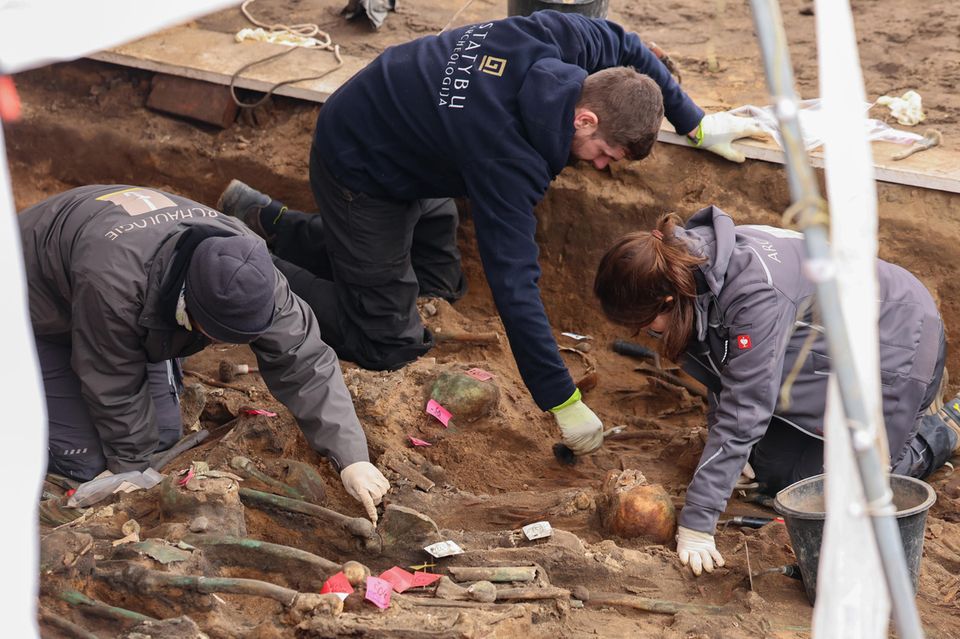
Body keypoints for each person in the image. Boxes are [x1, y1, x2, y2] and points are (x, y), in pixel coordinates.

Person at [216, 11, 765, 460]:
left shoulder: (561, 40)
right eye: (605, 157)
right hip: (362, 163)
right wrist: (560, 397)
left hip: (418, 142)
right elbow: (514, 282)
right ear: (586, 121)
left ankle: (273, 221)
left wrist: (695, 121)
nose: (600, 168)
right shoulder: (508, 158)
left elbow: (630, 46)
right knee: (386, 340)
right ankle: (250, 262)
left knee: (438, 288)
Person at [593, 207, 960, 576]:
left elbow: (746, 405)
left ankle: (940, 427)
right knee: (778, 478)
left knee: (840, 496)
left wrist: (698, 521)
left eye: (646, 324)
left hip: (897, 345)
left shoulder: (754, 292)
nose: (647, 334)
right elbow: (723, 365)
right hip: (826, 350)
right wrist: (729, 456)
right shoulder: (688, 269)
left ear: (668, 301)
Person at [21, 185, 390, 522]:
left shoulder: (252, 270)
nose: (220, 346)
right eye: (217, 336)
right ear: (189, 305)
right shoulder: (116, 284)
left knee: (164, 439)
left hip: (122, 300)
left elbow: (304, 359)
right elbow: (110, 376)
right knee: (86, 463)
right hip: (35, 304)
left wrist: (352, 457)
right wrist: (128, 468)